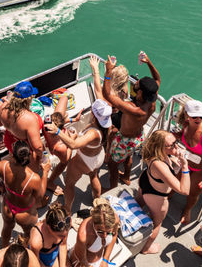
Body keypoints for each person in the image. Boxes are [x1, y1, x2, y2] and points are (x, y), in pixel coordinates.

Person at [102, 53, 161, 190]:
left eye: (138, 84)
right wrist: (148, 62)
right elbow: (157, 79)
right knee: (128, 156)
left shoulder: (134, 109)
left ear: (140, 93)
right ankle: (127, 177)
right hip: (139, 136)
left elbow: (107, 94)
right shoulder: (152, 100)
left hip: (124, 140)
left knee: (113, 164)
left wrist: (108, 71)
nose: (136, 82)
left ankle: (112, 188)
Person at [44, 98, 111, 214]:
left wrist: (57, 131)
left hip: (84, 161)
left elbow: (74, 145)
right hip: (97, 157)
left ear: (94, 115)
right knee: (94, 176)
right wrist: (74, 136)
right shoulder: (105, 127)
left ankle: (67, 209)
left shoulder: (93, 133)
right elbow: (84, 142)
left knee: (69, 184)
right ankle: (97, 200)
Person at [0, 141, 51, 247]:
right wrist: (45, 173)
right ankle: (26, 251)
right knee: (28, 234)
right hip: (24, 214)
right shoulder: (33, 178)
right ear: (29, 157)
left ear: (12, 155)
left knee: (7, 229)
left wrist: (0, 183)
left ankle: (4, 249)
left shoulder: (3, 166)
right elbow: (39, 196)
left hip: (7, 206)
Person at [135, 130, 190, 254]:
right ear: (160, 147)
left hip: (146, 181)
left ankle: (132, 224)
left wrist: (175, 164)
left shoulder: (154, 154)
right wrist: (185, 166)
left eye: (176, 142)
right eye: (172, 145)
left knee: (137, 204)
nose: (176, 146)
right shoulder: (160, 165)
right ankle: (146, 248)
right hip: (156, 195)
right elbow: (184, 190)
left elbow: (167, 175)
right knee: (157, 223)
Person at [0, 81, 44, 169]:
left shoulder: (4, 107)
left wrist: (2, 100)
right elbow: (37, 147)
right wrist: (42, 157)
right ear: (29, 99)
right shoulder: (29, 119)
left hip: (10, 142)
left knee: (16, 166)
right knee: (31, 173)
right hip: (25, 150)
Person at [43, 95, 81, 199]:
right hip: (57, 149)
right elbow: (67, 158)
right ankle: (49, 182)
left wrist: (74, 119)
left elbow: (64, 98)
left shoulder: (46, 124)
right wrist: (72, 138)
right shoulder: (61, 147)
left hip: (51, 142)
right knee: (64, 163)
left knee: (64, 101)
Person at [70, 198, 120, 267]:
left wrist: (105, 260)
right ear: (93, 221)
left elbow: (114, 235)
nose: (105, 236)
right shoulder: (84, 234)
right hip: (83, 263)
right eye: (100, 231)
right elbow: (82, 260)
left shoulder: (115, 220)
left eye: (108, 233)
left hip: (101, 260)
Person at [28, 202, 69, 267]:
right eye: (60, 236)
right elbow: (36, 262)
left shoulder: (65, 223)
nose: (63, 237)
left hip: (54, 254)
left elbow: (63, 245)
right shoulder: (36, 241)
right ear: (49, 228)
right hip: (41, 258)